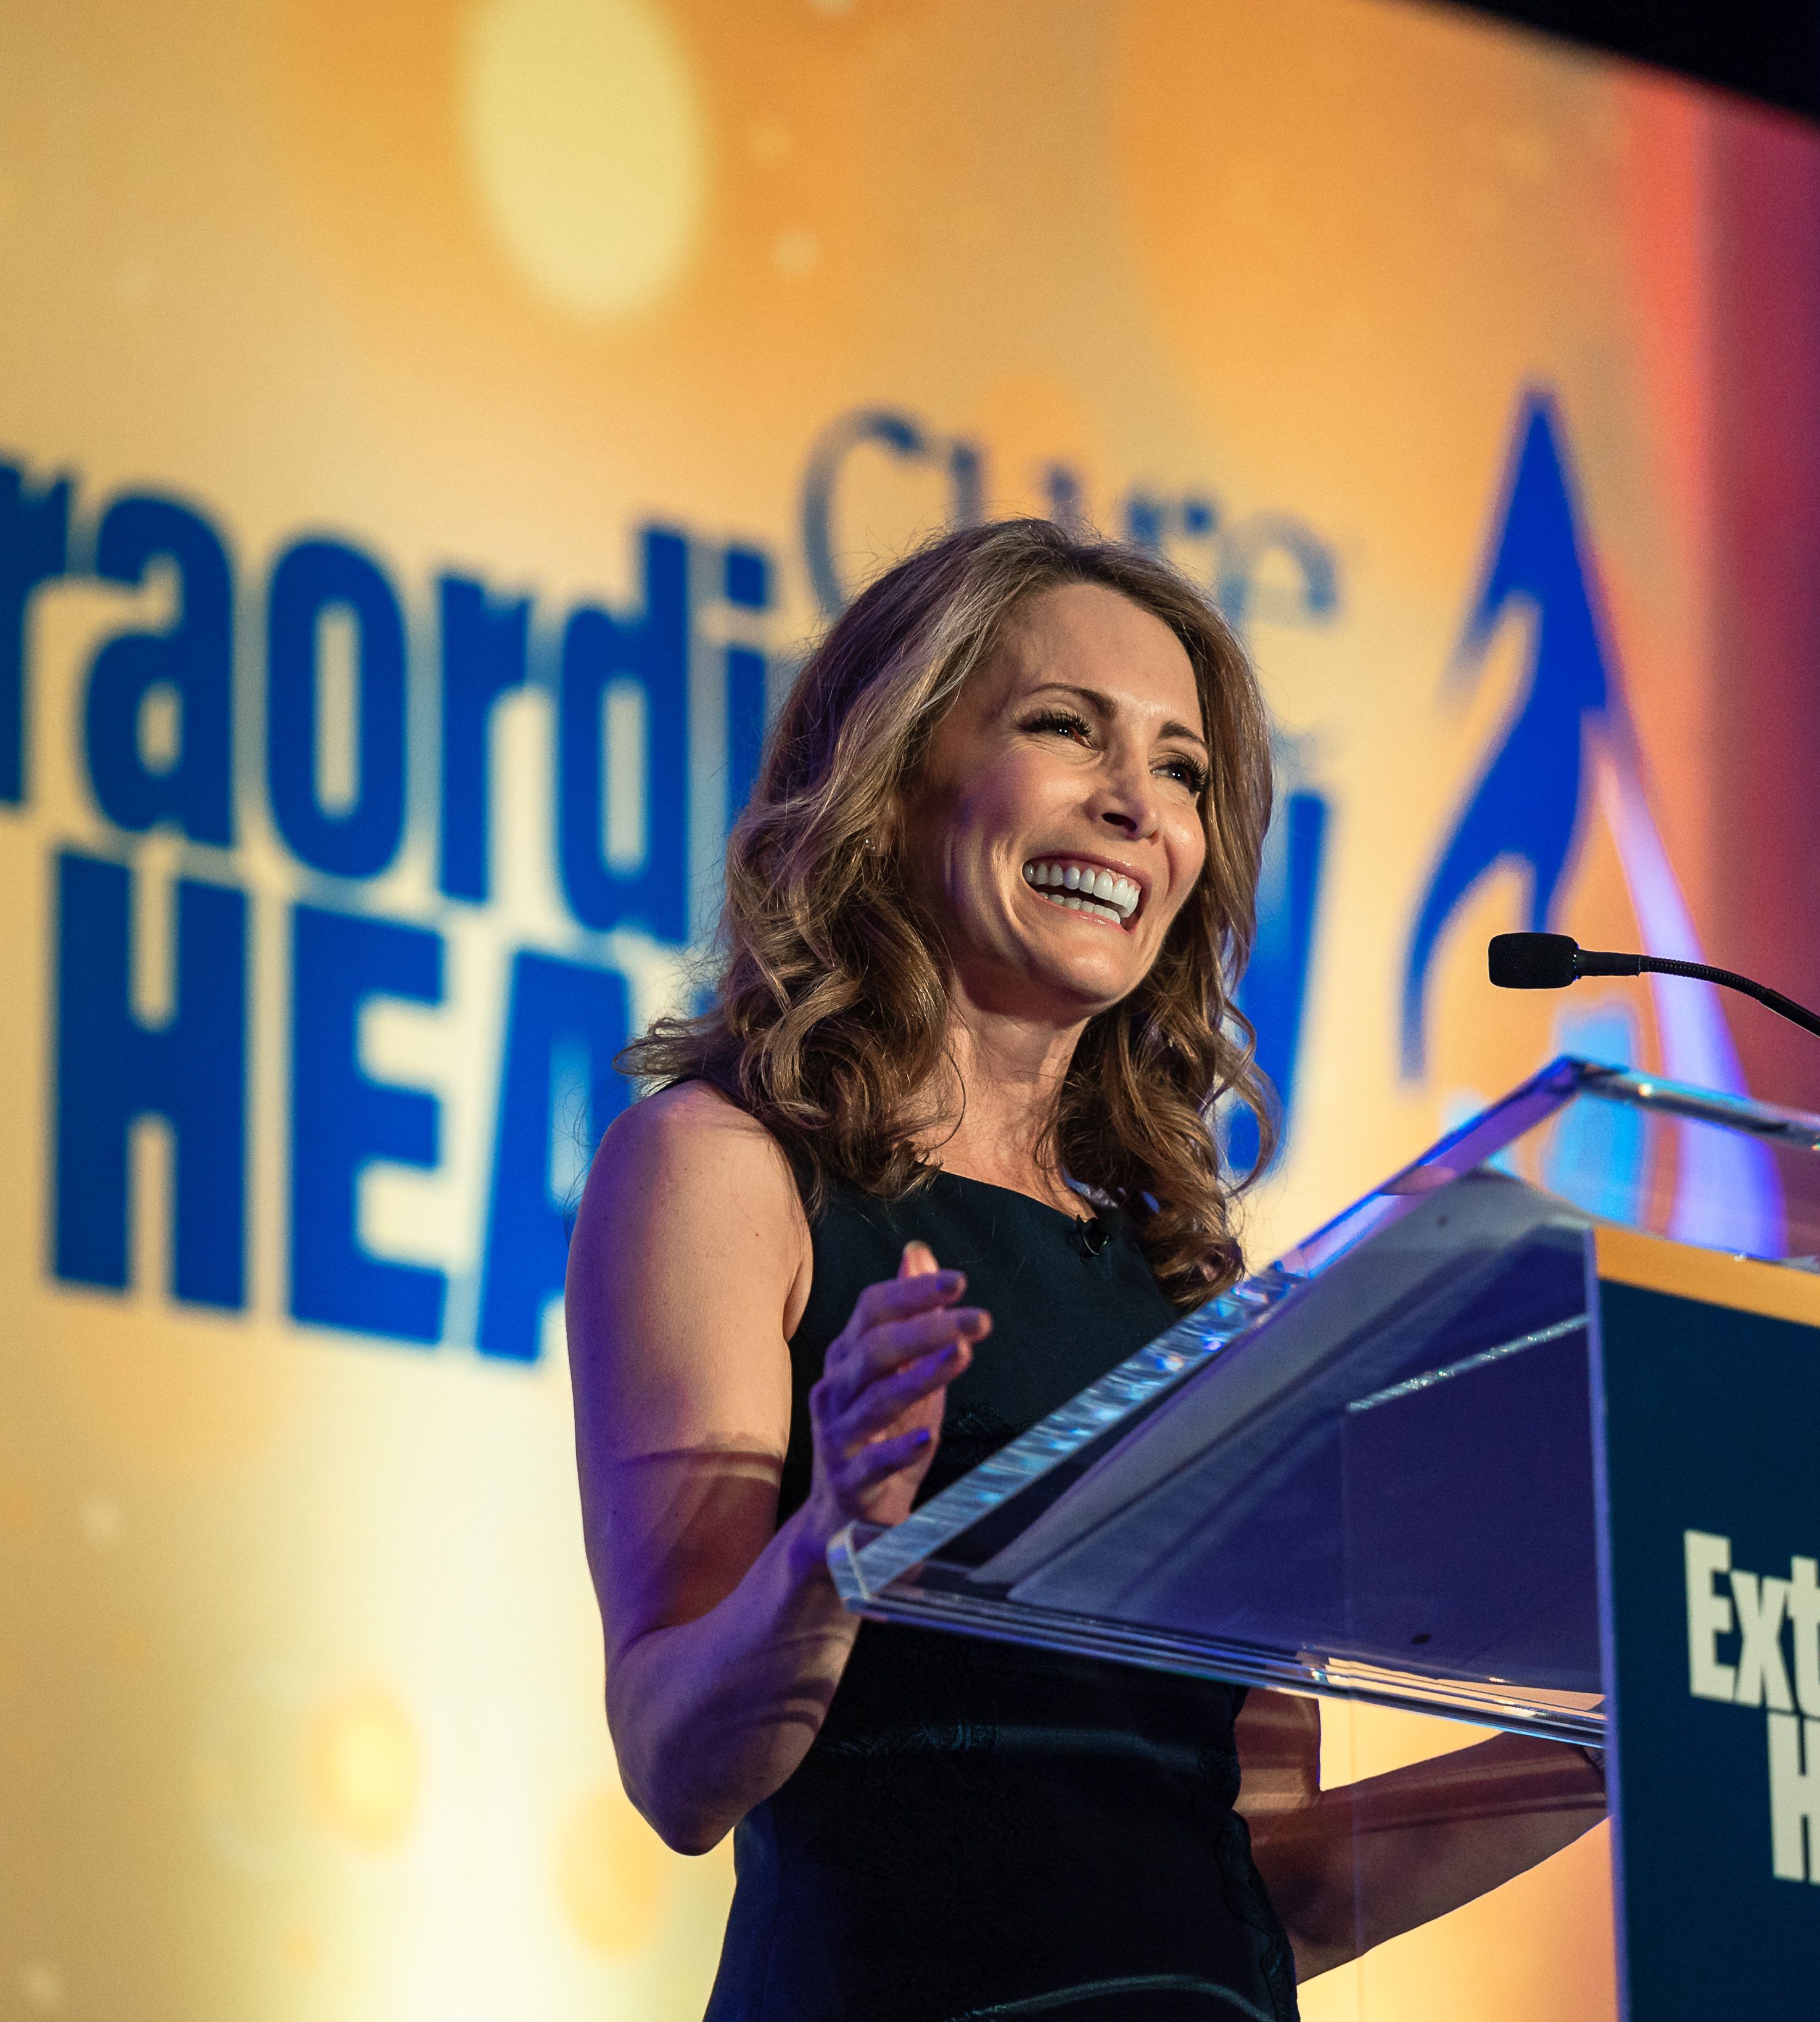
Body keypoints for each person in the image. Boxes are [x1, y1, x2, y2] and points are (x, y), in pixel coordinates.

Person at [566, 519, 1606, 2021]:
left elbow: (1274, 1879)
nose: (1137, 805)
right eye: (1066, 728)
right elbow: (677, 1764)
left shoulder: (1189, 1289)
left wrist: (1621, 1727)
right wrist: (837, 1541)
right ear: (897, 768)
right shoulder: (726, 1170)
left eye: (1182, 769)